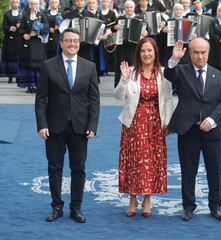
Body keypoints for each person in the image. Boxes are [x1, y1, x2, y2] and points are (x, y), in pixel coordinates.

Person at [35, 28, 100, 223]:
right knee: (55, 168)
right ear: (61, 43)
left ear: (80, 44)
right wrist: (42, 124)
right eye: (69, 41)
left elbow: (94, 99)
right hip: (54, 126)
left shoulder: (89, 67)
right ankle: (56, 207)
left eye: (76, 41)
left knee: (78, 168)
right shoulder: (48, 65)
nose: (73, 44)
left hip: (80, 127)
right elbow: (41, 99)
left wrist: (93, 125)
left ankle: (76, 207)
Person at [164, 38, 221, 221]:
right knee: (188, 170)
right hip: (188, 131)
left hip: (212, 131)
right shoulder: (182, 71)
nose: (200, 56)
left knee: (214, 170)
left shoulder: (218, 75)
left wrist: (211, 120)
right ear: (190, 53)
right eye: (195, 52)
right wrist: (174, 59)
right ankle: (188, 207)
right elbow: (169, 74)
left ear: (208, 53)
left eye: (203, 52)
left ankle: (215, 205)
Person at [114, 37, 173, 218]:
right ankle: (132, 198)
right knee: (134, 161)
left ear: (155, 52)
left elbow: (168, 100)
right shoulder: (131, 73)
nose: (146, 54)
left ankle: (147, 198)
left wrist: (168, 123)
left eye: (150, 50)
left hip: (156, 123)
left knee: (152, 161)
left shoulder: (163, 73)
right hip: (134, 123)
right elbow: (118, 96)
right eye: (143, 51)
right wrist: (123, 80)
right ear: (138, 54)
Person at [17, 0, 49, 94]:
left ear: (38, 5)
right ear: (29, 5)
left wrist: (38, 32)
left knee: (37, 65)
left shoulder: (41, 15)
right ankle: (29, 86)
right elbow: (21, 29)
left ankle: (37, 86)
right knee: (28, 65)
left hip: (38, 44)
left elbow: (46, 28)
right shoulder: (25, 15)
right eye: (32, 4)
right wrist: (24, 35)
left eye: (35, 4)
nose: (33, 5)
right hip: (27, 44)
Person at [0, 0, 22, 84]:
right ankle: (10, 77)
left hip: (18, 39)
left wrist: (20, 26)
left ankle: (17, 76)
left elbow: (25, 27)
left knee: (18, 58)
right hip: (9, 40)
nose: (15, 4)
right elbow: (4, 26)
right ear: (11, 4)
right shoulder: (7, 14)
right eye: (14, 2)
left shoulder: (21, 14)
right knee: (9, 57)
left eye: (17, 2)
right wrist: (10, 28)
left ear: (19, 4)